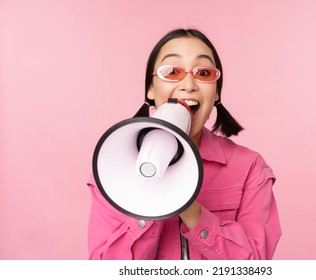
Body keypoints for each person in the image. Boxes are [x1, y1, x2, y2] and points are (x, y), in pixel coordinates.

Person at [87, 28, 281, 260]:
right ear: (150, 88)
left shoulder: (250, 168)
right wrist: (149, 200)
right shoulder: (111, 167)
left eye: (204, 72)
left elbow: (256, 265)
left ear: (217, 92)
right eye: (172, 71)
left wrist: (190, 208)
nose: (188, 84)